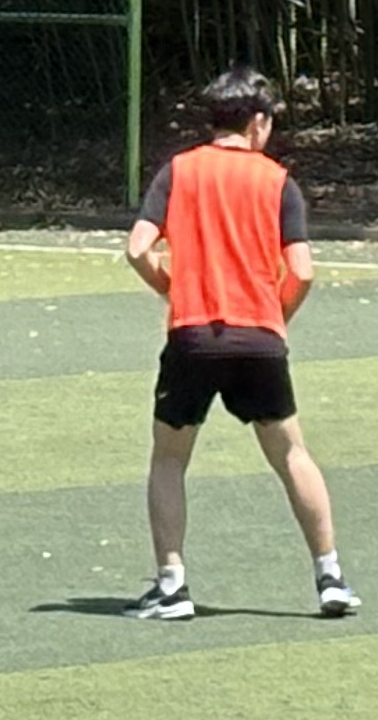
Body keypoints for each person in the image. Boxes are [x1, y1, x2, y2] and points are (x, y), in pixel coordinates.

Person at [125, 69, 355, 620]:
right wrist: (275, 317)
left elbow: (137, 249)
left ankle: (172, 586)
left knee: (169, 460)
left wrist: (174, 288)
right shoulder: (279, 182)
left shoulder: (178, 171)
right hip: (260, 339)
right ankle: (330, 577)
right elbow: (303, 271)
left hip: (193, 336)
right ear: (257, 122)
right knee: (292, 455)